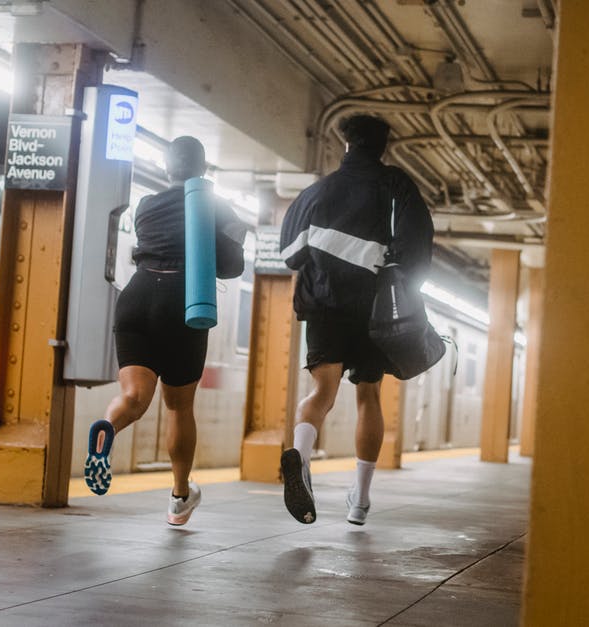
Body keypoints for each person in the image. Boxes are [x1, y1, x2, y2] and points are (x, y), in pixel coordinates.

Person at [278, 114, 433, 525]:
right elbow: (417, 246)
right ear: (383, 148)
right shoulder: (396, 185)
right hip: (375, 307)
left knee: (321, 392)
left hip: (324, 305)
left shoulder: (318, 191)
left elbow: (290, 253)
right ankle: (360, 500)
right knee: (369, 395)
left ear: (346, 146)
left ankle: (302, 460)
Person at [84, 135, 247, 526]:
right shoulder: (217, 205)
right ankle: (178, 497)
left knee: (135, 396)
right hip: (184, 301)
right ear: (204, 169)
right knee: (179, 406)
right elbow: (231, 266)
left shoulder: (147, 205)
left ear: (165, 167)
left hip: (137, 296)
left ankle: (108, 427)